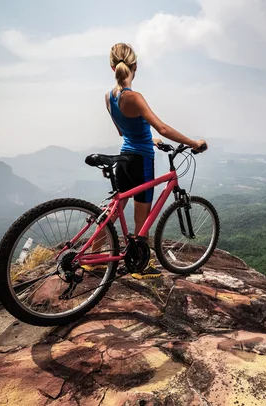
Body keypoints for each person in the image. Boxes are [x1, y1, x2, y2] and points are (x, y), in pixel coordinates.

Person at [87, 42, 207, 279]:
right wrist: (193, 143)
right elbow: (162, 127)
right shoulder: (135, 97)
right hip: (141, 160)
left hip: (124, 158)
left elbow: (124, 132)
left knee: (114, 211)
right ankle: (140, 266)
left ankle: (93, 259)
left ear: (113, 67)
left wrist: (147, 138)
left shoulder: (108, 97)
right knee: (142, 217)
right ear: (135, 66)